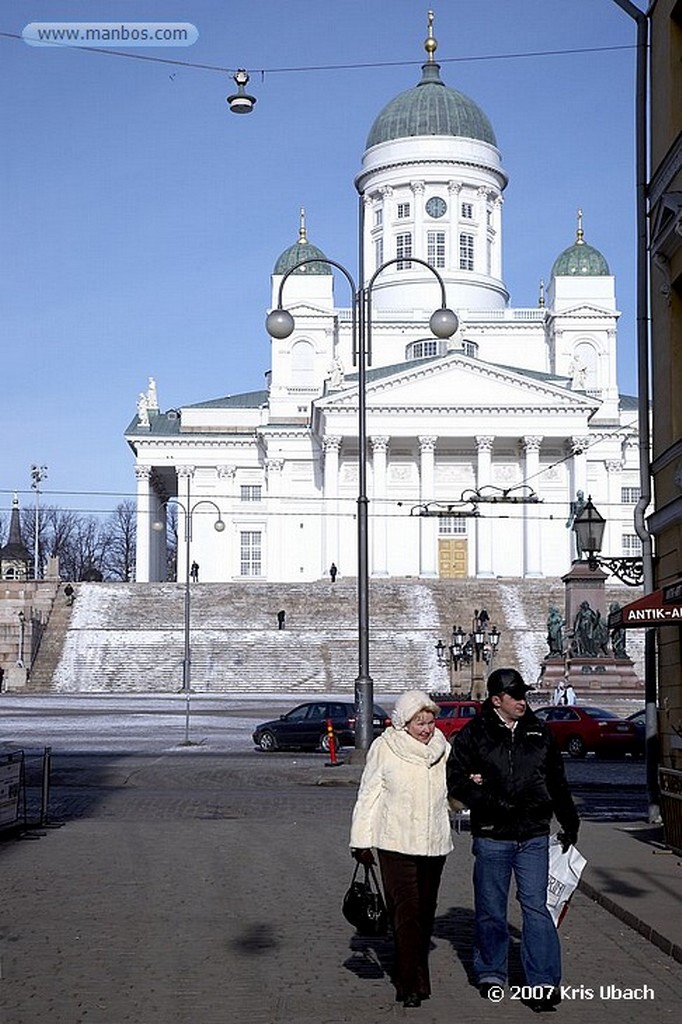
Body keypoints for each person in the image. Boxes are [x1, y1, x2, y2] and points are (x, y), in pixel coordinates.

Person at [447, 667, 579, 1012]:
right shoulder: (474, 734)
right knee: (491, 910)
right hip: (493, 836)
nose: (523, 701)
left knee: (537, 908)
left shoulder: (539, 731)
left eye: (524, 695)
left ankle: (543, 983)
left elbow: (557, 780)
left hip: (534, 833)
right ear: (496, 700)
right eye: (516, 696)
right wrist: (489, 801)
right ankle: (491, 972)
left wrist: (569, 819)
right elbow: (457, 782)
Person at [350, 690, 453, 1008]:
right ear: (403, 722)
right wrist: (361, 842)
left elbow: (450, 793)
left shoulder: (441, 747)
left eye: (430, 721)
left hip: (434, 843)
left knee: (424, 913)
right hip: (395, 843)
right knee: (406, 913)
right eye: (418, 722)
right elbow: (369, 795)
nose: (426, 728)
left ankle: (410, 968)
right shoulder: (385, 747)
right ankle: (411, 984)